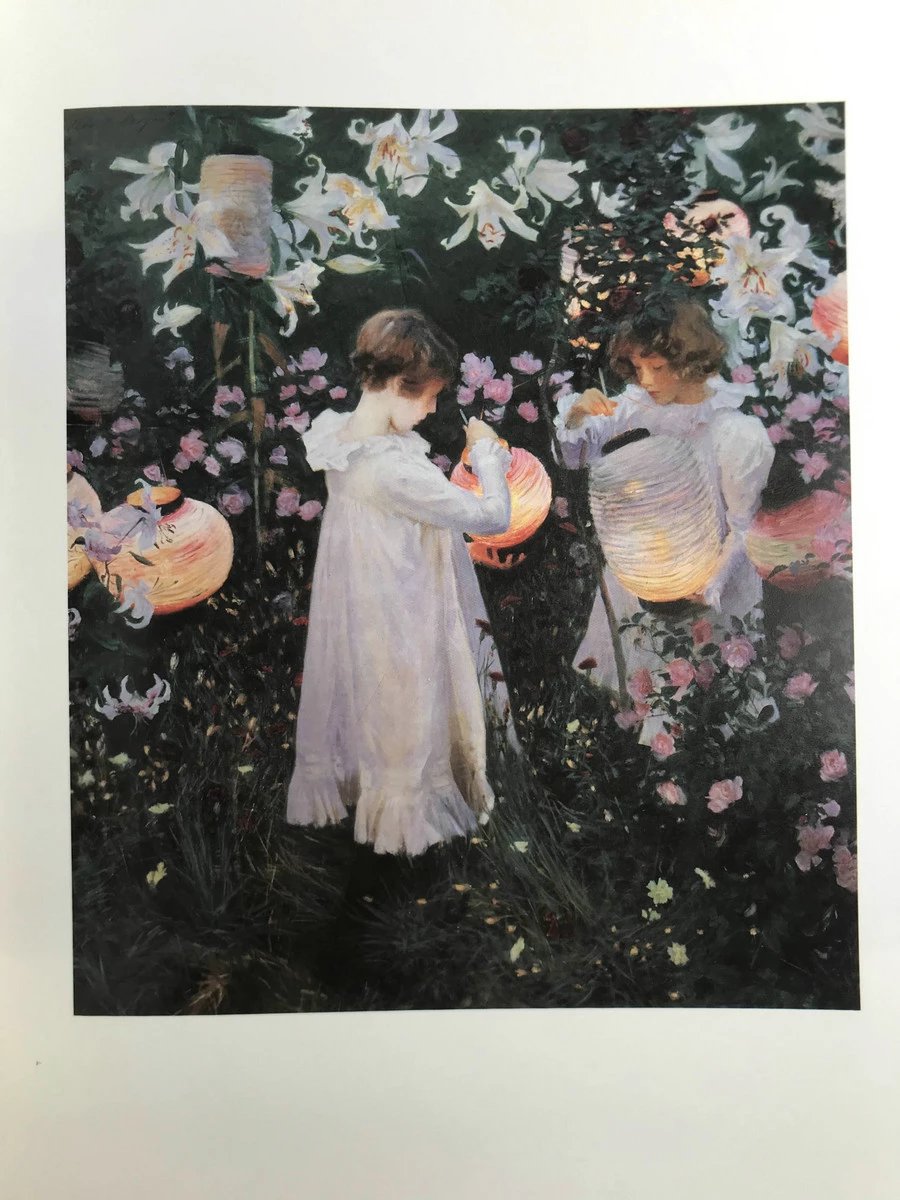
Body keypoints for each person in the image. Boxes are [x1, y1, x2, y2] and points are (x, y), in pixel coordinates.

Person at [286, 308, 515, 856]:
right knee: (408, 701)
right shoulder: (392, 469)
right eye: (429, 396)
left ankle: (375, 801)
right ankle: (408, 827)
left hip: (365, 594)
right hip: (401, 601)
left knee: (375, 701)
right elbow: (493, 518)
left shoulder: (343, 438)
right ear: (396, 384)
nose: (433, 409)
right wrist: (488, 456)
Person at [554, 291, 774, 733]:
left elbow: (742, 526)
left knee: (712, 692)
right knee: (647, 674)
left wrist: (711, 582)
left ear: (689, 362)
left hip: (711, 567)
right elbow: (572, 457)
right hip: (647, 563)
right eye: (638, 368)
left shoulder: (733, 430)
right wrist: (577, 416)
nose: (646, 380)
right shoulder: (635, 407)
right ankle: (645, 750)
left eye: (656, 367)